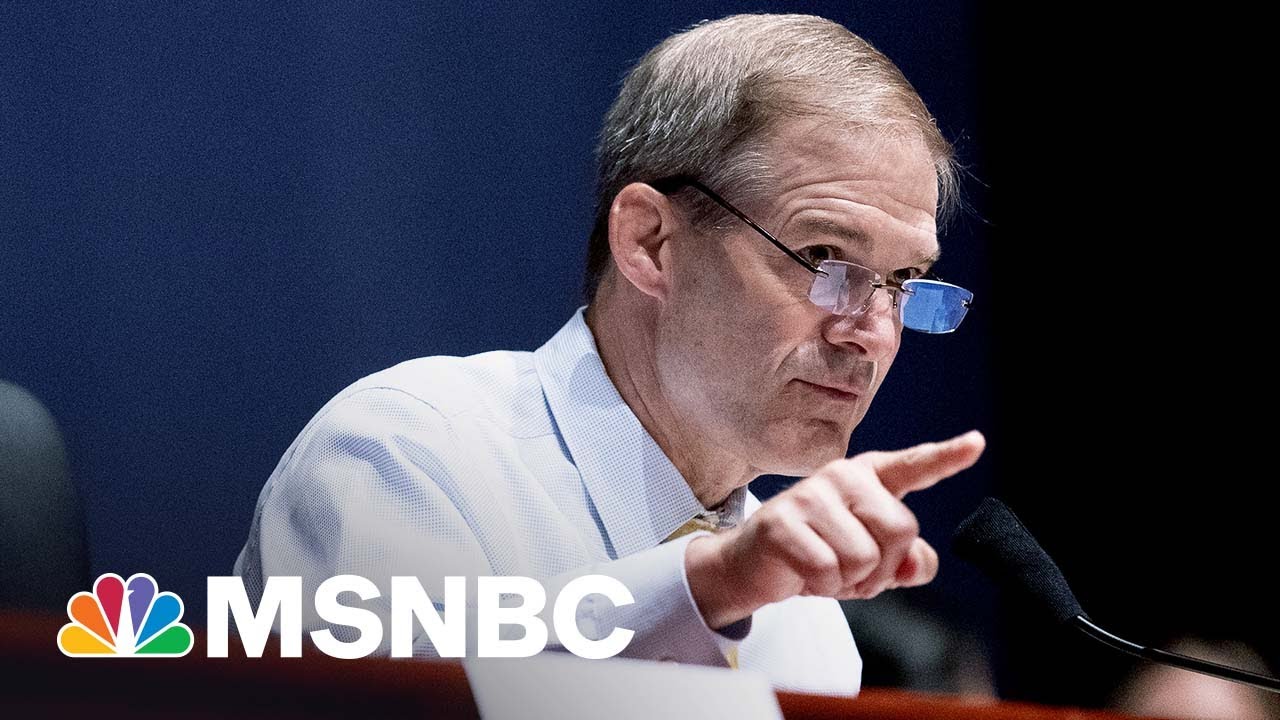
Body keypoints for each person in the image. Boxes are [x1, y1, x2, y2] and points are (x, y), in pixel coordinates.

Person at [234, 13, 984, 696]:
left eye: (903, 280)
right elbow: (417, 698)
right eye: (823, 256)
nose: (873, 332)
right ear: (650, 243)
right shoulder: (405, 454)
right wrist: (706, 586)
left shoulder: (806, 623)